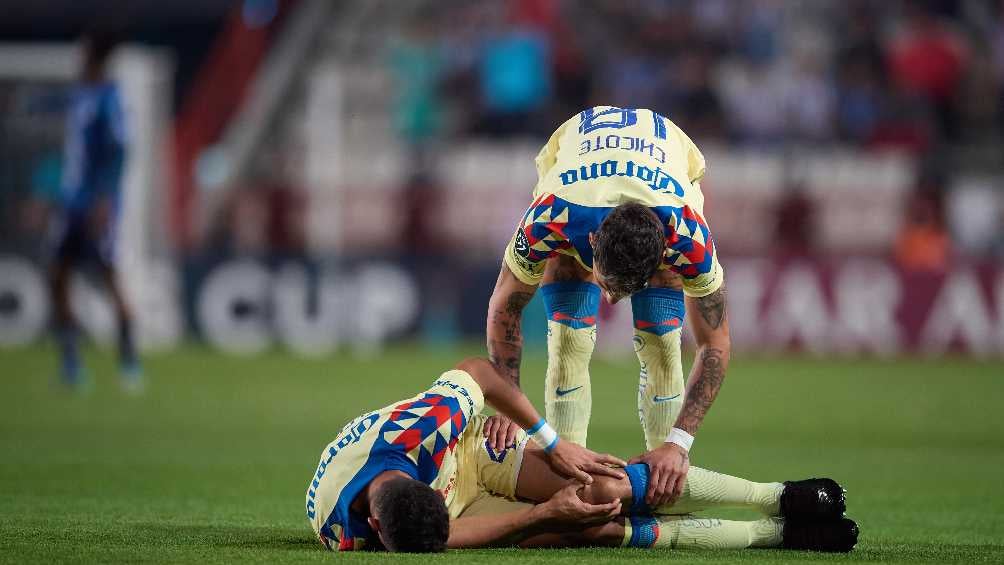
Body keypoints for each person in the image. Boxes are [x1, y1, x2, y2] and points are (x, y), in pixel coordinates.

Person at [305, 357, 858, 552]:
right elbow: (443, 535)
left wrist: (550, 440)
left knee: (605, 489)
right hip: (440, 498)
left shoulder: (425, 429)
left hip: (471, 452)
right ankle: (779, 535)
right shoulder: (340, 530)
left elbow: (477, 372)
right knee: (590, 524)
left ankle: (776, 496)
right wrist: (545, 517)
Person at [485, 105, 727, 508]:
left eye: (624, 289)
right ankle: (564, 485)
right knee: (566, 343)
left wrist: (679, 443)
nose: (611, 300)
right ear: (593, 242)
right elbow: (505, 306)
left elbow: (715, 343)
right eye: (606, 284)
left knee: (664, 348)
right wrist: (510, 406)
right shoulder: (552, 217)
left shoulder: (687, 238)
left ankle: (661, 489)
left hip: (669, 158)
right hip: (576, 160)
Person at [49, 31, 140, 391]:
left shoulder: (110, 99)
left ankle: (130, 362)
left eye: (84, 51)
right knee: (57, 278)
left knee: (110, 277)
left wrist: (105, 199)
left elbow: (119, 150)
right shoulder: (79, 95)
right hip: (71, 203)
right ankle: (72, 366)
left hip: (96, 205)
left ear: (95, 57)